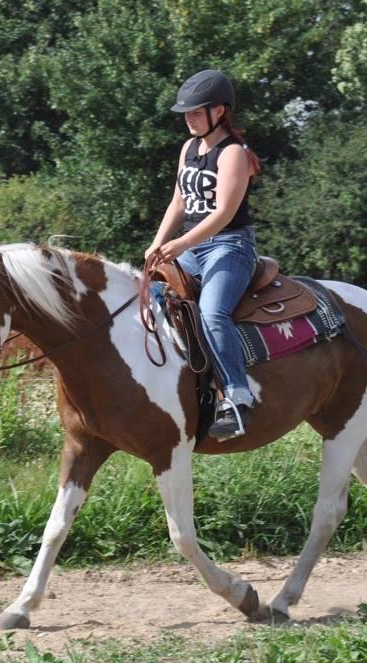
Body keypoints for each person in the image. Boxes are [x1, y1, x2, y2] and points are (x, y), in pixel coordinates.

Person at [145, 69, 262, 440]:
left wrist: (179, 245)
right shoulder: (189, 148)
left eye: (196, 111)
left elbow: (224, 212)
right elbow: (179, 200)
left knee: (213, 312)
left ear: (220, 111)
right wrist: (157, 242)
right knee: (149, 296)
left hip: (230, 246)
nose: (189, 118)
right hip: (194, 246)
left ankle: (237, 400)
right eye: (187, 112)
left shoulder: (234, 154)